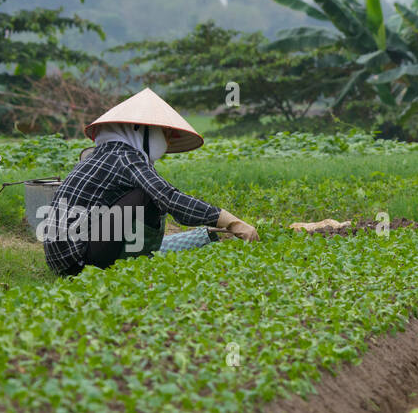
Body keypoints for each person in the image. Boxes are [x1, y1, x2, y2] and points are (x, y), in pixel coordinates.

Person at [42, 88, 259, 277]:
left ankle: (138, 256)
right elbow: (169, 197)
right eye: (163, 133)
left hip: (64, 262)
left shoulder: (105, 153)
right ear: (141, 130)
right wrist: (232, 222)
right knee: (150, 194)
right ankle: (138, 260)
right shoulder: (125, 156)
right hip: (79, 261)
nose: (167, 140)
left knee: (149, 191)